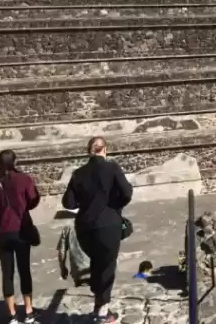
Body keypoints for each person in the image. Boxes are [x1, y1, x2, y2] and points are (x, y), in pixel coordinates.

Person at [62, 137, 133, 324]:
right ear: (104, 149)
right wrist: (114, 206)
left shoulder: (79, 173)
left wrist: (85, 204)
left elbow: (68, 203)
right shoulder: (112, 168)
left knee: (96, 263)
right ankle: (103, 312)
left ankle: (98, 303)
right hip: (108, 225)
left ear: (89, 151)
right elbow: (127, 193)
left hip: (84, 227)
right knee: (107, 266)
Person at [0, 150, 40, 324]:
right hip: (21, 230)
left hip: (1, 234)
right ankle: (28, 311)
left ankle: (12, 314)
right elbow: (34, 199)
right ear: (14, 161)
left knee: (7, 273)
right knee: (24, 270)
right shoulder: (24, 179)